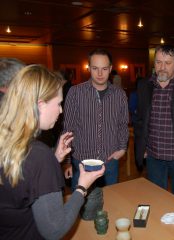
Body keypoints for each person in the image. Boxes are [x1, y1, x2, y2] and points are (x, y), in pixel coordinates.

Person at [0, 65, 105, 239]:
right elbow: (54, 230)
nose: (61, 110)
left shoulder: (9, 141)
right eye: (58, 103)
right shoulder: (39, 155)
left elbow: (22, 181)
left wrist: (54, 158)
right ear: (40, 105)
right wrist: (81, 187)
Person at [135, 45, 174, 195]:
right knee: (157, 198)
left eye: (168, 63)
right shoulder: (144, 85)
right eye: (158, 62)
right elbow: (140, 119)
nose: (162, 67)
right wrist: (142, 146)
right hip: (153, 155)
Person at [63, 48, 129, 191]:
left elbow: (123, 124)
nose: (100, 73)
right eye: (95, 68)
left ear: (110, 68)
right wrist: (67, 161)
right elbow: (68, 128)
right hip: (82, 163)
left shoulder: (120, 94)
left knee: (111, 205)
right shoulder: (75, 93)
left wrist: (122, 149)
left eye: (104, 69)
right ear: (88, 68)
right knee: (81, 206)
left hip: (110, 161)